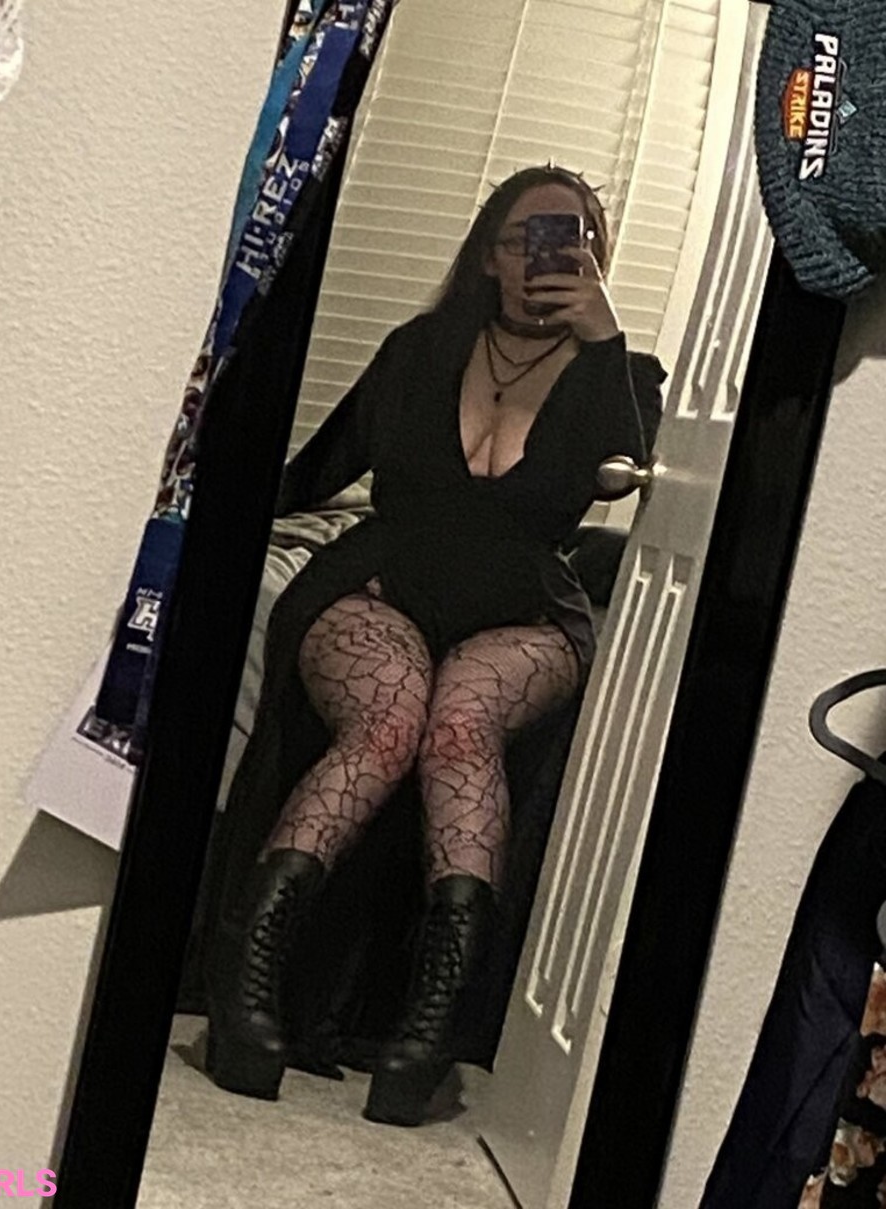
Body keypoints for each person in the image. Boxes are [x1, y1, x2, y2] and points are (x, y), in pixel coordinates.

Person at [203, 165, 667, 1126]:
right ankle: (247, 982)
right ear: (490, 254)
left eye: (577, 235)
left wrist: (604, 337)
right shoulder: (418, 349)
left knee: (460, 723)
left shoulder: (621, 373)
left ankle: (429, 1025)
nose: (552, 253)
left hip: (524, 608)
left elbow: (627, 479)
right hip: (383, 581)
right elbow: (315, 471)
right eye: (530, 235)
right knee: (387, 723)